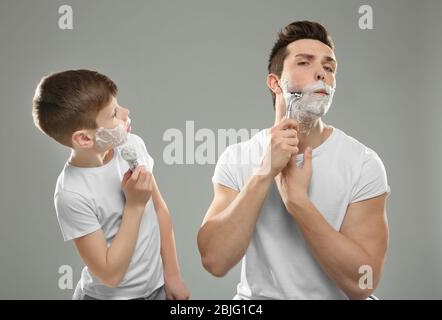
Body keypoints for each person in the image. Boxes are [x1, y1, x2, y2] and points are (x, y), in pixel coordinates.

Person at [198, 21, 391, 300]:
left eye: (329, 67)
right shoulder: (238, 158)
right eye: (304, 63)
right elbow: (215, 261)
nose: (321, 74)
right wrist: (264, 173)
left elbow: (363, 282)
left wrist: (298, 202)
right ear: (276, 83)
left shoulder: (363, 163)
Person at [32, 69, 189, 300]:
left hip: (156, 290)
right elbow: (110, 275)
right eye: (114, 113)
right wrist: (134, 206)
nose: (126, 113)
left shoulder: (131, 146)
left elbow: (159, 210)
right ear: (84, 138)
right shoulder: (72, 193)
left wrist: (173, 276)